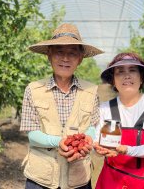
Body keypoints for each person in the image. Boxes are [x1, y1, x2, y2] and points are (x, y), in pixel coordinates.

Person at [20, 23, 104, 189]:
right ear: (49, 56)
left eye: (72, 53)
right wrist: (60, 141)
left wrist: (87, 139)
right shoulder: (34, 90)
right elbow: (32, 134)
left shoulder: (91, 91)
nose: (65, 58)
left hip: (78, 178)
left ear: (80, 59)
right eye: (59, 52)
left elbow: (92, 127)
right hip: (41, 178)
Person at [93, 52, 144, 189]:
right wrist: (98, 148)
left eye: (133, 70)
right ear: (113, 80)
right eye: (120, 72)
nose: (127, 76)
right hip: (111, 179)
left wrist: (126, 149)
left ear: (141, 78)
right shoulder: (105, 108)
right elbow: (96, 140)